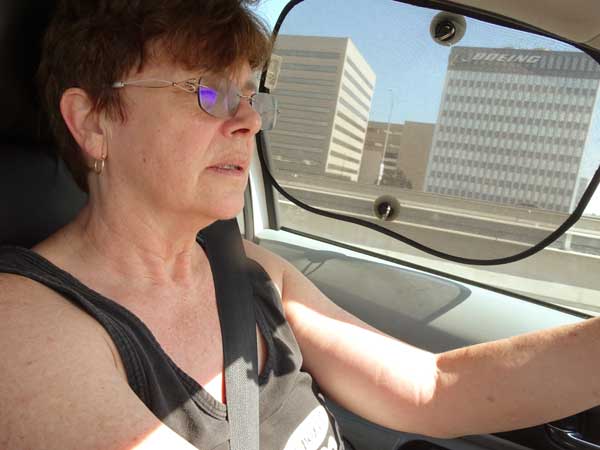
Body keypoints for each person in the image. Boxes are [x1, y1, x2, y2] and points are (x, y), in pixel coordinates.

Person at [1, 1, 599, 449]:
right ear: (93, 121)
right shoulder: (21, 327)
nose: (249, 122)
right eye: (208, 91)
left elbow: (434, 386)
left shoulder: (250, 272)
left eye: (249, 95)